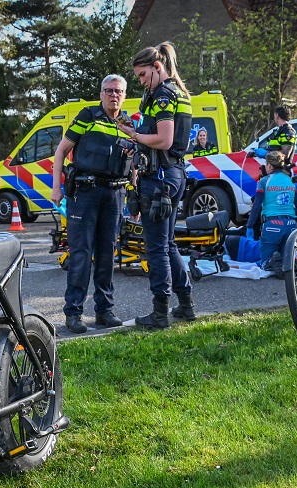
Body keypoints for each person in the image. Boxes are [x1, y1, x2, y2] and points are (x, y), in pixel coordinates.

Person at [117, 41, 195, 329]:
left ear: (157, 67)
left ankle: (160, 313)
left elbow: (164, 140)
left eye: (142, 75)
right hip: (172, 174)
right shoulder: (177, 92)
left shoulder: (163, 95)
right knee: (168, 244)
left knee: (156, 248)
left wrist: (134, 135)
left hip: (160, 178)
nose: (140, 81)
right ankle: (185, 305)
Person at [50, 75, 133, 334]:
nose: (113, 95)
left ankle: (103, 311)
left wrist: (134, 186)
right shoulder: (88, 116)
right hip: (85, 193)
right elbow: (61, 150)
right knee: (81, 255)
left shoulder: (128, 123)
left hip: (115, 195)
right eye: (108, 91)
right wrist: (56, 187)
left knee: (108, 254)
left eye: (118, 91)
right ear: (101, 93)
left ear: (124, 95)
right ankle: (73, 313)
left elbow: (134, 159)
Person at [246, 151, 297, 278]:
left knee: (264, 264)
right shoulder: (291, 181)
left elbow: (256, 206)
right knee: (287, 255)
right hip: (291, 225)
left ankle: (271, 262)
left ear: (270, 166)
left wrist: (249, 225)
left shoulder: (264, 181)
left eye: (266, 163)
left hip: (272, 225)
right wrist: (296, 223)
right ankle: (291, 263)